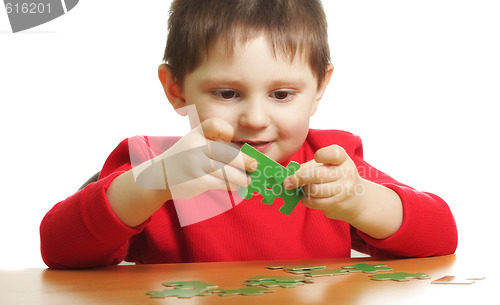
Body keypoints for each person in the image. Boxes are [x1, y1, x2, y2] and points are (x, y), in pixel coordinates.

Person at [40, 0, 457, 269]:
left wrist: (360, 200)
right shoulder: (151, 164)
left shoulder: (331, 163)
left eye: (281, 94)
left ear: (318, 91)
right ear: (176, 89)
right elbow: (58, 248)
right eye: (227, 93)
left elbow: (442, 236)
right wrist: (153, 183)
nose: (255, 119)